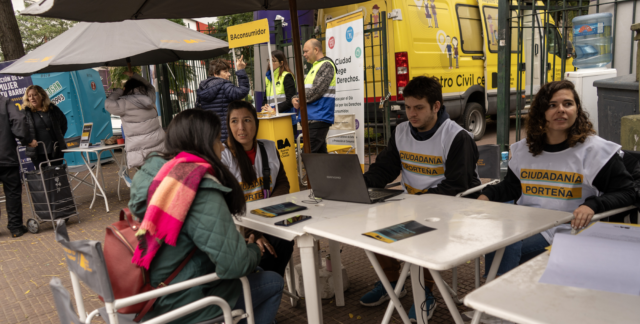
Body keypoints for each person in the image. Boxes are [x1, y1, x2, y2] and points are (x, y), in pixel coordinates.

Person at [129, 109, 283, 324]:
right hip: (184, 302)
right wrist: (255, 249)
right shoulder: (195, 186)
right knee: (272, 281)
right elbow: (234, 265)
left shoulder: (156, 174)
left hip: (149, 295)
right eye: (217, 139)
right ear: (203, 143)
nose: (221, 146)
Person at [479, 80, 636, 276]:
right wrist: (487, 195)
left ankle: (493, 300)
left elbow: (629, 192)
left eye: (567, 104)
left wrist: (593, 205)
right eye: (552, 105)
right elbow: (512, 187)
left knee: (504, 245)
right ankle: (499, 297)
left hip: (568, 228)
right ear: (540, 113)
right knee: (497, 239)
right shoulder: (524, 150)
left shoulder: (595, 151)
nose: (561, 110)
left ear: (577, 110)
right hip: (526, 224)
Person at [360, 76, 481, 321]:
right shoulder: (402, 131)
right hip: (412, 205)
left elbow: (457, 186)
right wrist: (358, 186)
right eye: (407, 107)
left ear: (436, 106)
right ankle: (393, 282)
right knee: (368, 223)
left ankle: (425, 292)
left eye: (418, 108)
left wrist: (416, 204)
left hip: (453, 209)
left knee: (420, 228)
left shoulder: (457, 136)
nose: (411, 114)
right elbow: (384, 169)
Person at [222, 101, 294, 277]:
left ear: (256, 122)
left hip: (269, 221)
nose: (241, 128)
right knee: (264, 251)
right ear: (228, 125)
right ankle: (268, 287)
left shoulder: (268, 148)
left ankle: (270, 286)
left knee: (285, 239)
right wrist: (254, 232)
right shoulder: (222, 155)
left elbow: (283, 183)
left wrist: (266, 216)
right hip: (239, 229)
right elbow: (224, 202)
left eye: (247, 120)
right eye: (234, 121)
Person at [105, 71, 164, 169]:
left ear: (127, 89)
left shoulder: (123, 103)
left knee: (146, 176)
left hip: (140, 151)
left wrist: (119, 91)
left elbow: (107, 104)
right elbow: (150, 86)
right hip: (158, 146)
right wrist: (135, 75)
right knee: (160, 173)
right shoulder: (150, 97)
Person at [292, 39, 336, 153]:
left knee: (308, 156)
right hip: (313, 118)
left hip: (318, 118)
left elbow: (317, 91)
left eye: (306, 51)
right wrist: (295, 98)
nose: (304, 54)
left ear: (316, 50)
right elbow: (306, 91)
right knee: (320, 159)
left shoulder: (326, 65)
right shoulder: (315, 67)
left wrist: (299, 99)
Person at [0, 94, 35, 238]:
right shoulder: (3, 102)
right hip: (6, 156)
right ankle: (15, 228)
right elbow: (19, 120)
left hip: (6, 156)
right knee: (12, 192)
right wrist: (26, 140)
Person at [196, 56, 250, 143]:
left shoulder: (203, 88)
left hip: (210, 135)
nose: (229, 74)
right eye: (225, 71)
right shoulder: (224, 85)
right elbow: (242, 92)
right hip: (226, 135)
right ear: (215, 73)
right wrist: (240, 70)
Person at [22, 85, 68, 169]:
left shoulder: (53, 109)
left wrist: (58, 137)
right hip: (37, 152)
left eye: (35, 95)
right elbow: (21, 130)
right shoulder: (25, 113)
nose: (32, 98)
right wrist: (28, 141)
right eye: (29, 96)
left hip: (55, 150)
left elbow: (63, 124)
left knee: (58, 175)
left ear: (42, 96)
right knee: (44, 177)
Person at [261, 50, 298, 140]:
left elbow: (290, 100)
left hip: (285, 120)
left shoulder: (287, 76)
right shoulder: (268, 77)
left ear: (281, 63)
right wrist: (265, 106)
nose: (270, 63)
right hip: (271, 118)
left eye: (273, 61)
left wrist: (274, 109)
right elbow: (266, 98)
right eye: (269, 60)